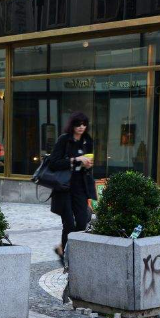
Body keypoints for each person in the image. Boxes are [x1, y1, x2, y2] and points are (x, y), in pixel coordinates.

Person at [48, 111, 96, 264]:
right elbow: (54, 163)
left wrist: (87, 164)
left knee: (82, 221)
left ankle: (63, 247)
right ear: (73, 125)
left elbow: (87, 163)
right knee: (69, 222)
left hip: (80, 186)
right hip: (64, 186)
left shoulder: (87, 141)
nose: (81, 127)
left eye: (84, 124)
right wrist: (75, 160)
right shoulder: (64, 140)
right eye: (78, 124)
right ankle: (67, 255)